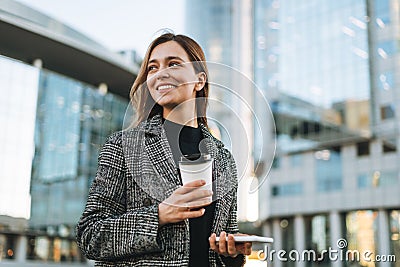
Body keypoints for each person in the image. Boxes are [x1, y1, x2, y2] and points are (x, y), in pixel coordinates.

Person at [76, 32, 252, 266]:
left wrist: (233, 252)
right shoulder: (123, 146)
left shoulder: (224, 160)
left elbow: (225, 242)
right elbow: (90, 236)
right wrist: (160, 215)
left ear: (199, 80)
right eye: (152, 67)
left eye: (174, 63)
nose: (161, 73)